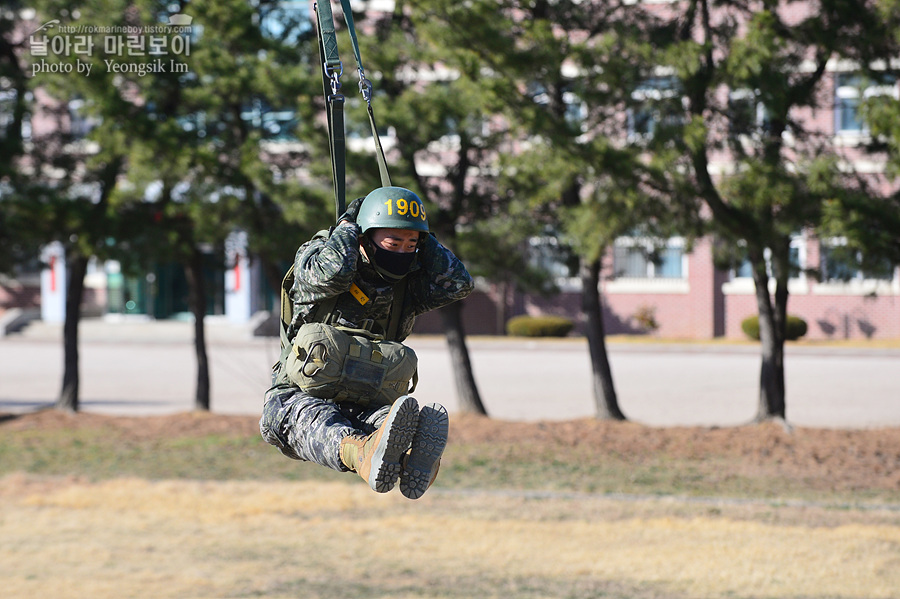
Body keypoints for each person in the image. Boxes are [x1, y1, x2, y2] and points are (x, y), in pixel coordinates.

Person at [260, 186, 474, 499]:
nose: (402, 252)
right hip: (303, 392)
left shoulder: (407, 287)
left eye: (410, 245)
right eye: (393, 242)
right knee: (306, 416)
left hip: (364, 401)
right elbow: (331, 274)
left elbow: (459, 284)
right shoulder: (318, 261)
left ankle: (392, 454)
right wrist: (348, 227)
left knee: (375, 423)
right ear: (365, 238)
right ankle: (376, 449)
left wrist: (424, 239)